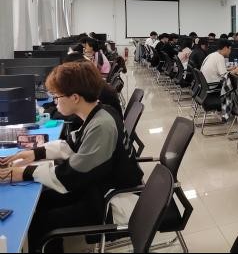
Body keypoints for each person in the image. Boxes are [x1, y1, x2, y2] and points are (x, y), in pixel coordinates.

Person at [0, 62, 143, 252]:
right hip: (98, 186)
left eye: (57, 96)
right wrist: (35, 153)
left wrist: (23, 173)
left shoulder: (102, 125)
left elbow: (70, 176)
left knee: (43, 223)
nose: (55, 101)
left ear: (75, 98)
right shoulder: (101, 112)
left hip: (111, 200)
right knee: (42, 202)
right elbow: (72, 145)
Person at [62, 53, 123, 117]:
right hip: (111, 119)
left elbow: (78, 115)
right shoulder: (95, 82)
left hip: (108, 120)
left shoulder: (92, 90)